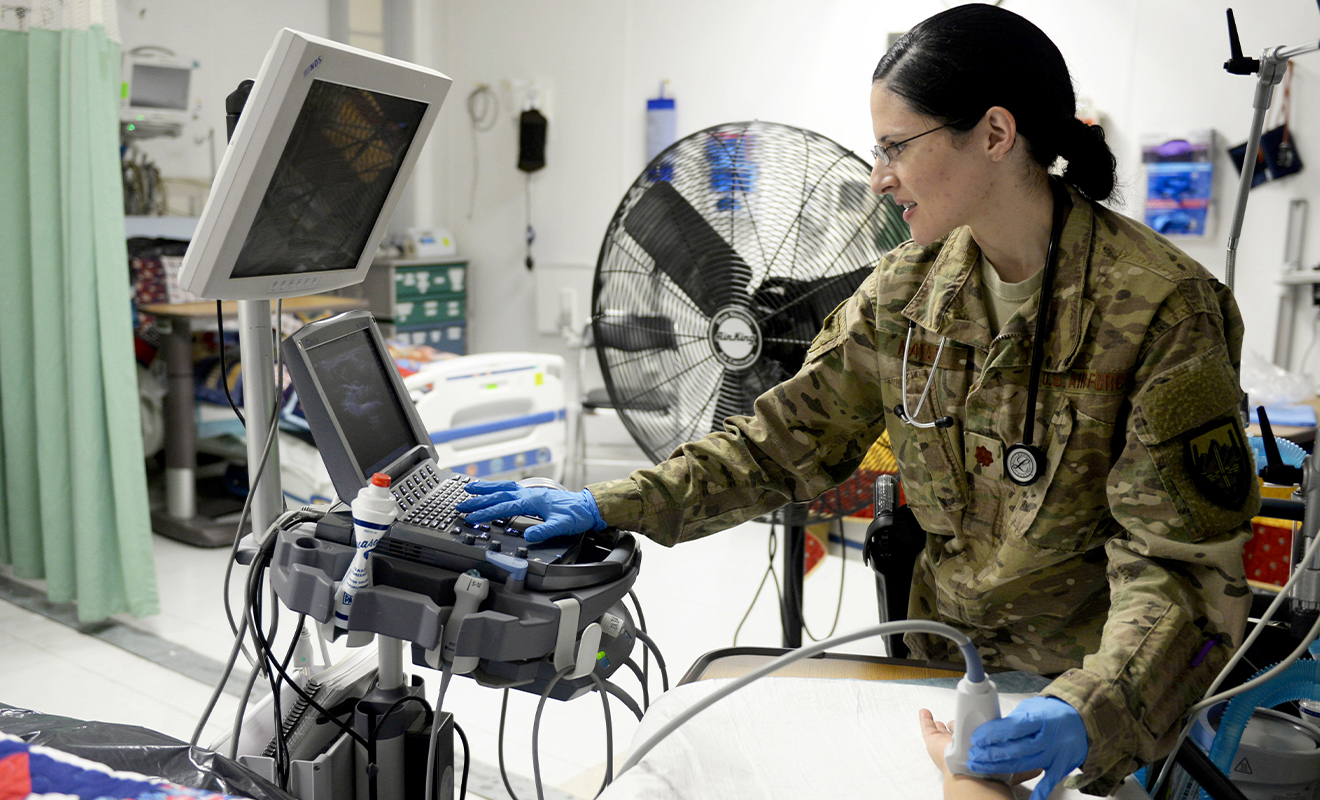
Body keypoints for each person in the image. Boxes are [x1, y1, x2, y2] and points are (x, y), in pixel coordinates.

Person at [458, 4, 1259, 798]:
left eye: (896, 147)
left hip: (1092, 701)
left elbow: (1186, 570)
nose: (878, 178)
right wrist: (610, 502)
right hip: (940, 676)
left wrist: (1090, 709)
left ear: (994, 134)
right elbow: (780, 442)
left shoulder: (1160, 309)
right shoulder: (906, 292)